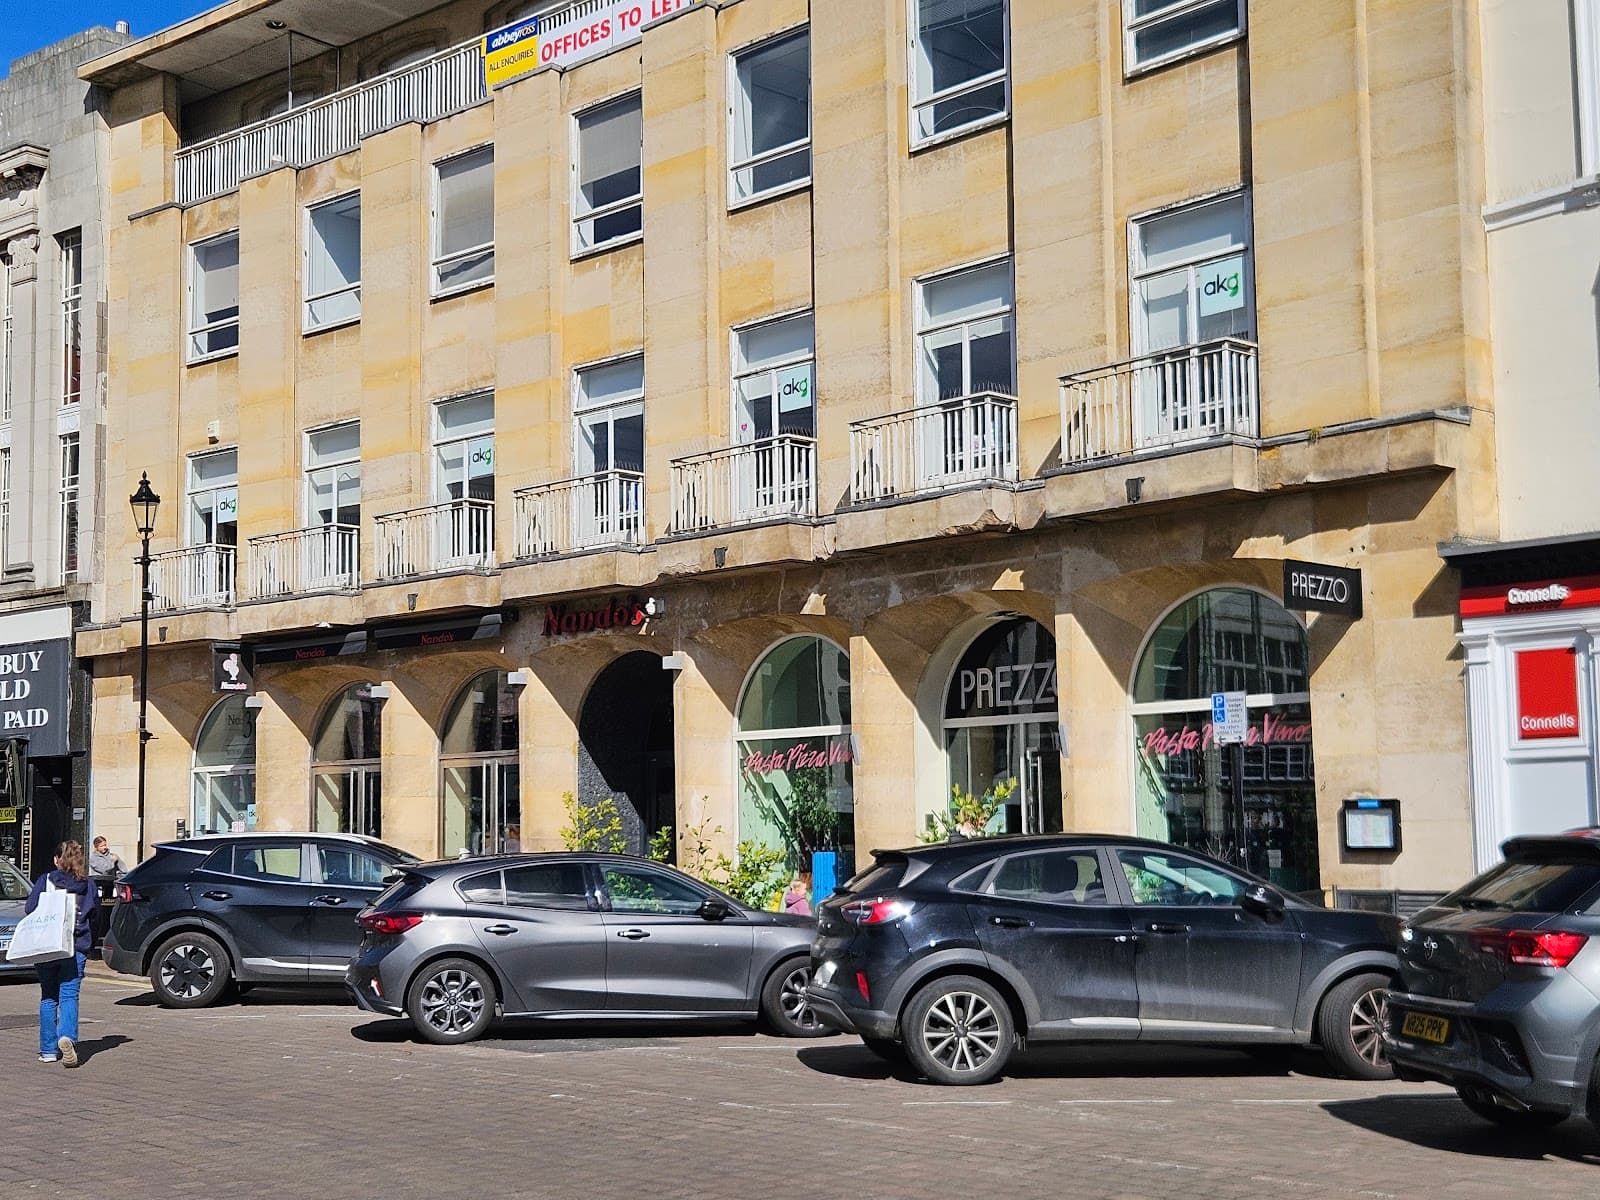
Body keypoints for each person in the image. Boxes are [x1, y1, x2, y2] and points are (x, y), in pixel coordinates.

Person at [26, 841, 96, 1067]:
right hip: (76, 946)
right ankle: (67, 1036)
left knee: (48, 996)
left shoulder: (45, 880)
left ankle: (48, 1050)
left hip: (48, 946)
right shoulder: (89, 884)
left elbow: (30, 909)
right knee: (69, 994)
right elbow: (96, 917)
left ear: (57, 860)